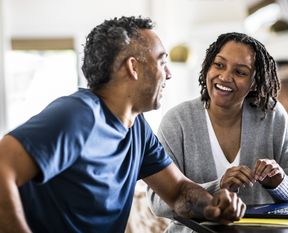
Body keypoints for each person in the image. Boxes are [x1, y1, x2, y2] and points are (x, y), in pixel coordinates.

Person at [0, 16, 246, 233]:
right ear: (133, 67)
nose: (169, 73)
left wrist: (213, 206)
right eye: (162, 61)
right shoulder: (79, 114)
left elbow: (179, 192)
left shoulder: (136, 127)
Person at [147, 32, 288, 232]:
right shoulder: (178, 121)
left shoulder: (271, 115)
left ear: (254, 81)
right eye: (219, 65)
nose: (225, 77)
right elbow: (157, 202)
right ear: (208, 67)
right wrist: (218, 187)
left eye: (240, 72)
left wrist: (279, 183)